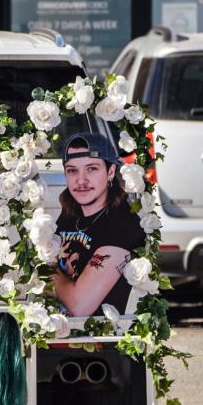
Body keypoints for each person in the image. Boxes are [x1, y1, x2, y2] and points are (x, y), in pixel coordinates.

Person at [53, 132, 146, 316]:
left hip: (98, 339)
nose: (81, 180)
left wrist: (45, 272)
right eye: (72, 170)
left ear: (110, 171)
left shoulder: (122, 225)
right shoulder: (71, 213)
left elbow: (79, 306)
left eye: (91, 169)